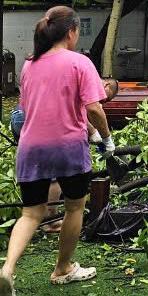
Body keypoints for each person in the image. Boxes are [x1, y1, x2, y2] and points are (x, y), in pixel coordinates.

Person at [0, 6, 113, 296]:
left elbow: (34, 109)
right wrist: (106, 139)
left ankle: (7, 269)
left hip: (31, 147)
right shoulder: (80, 62)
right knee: (75, 207)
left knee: (31, 213)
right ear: (72, 32)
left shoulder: (30, 64)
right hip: (68, 147)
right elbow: (94, 108)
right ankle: (63, 268)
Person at [10, 77, 119, 234]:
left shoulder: (64, 75)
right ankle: (50, 220)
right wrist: (96, 133)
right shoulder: (87, 80)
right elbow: (85, 110)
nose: (102, 101)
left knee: (36, 166)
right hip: (37, 117)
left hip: (19, 115)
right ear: (106, 85)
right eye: (106, 98)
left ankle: (33, 215)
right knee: (55, 170)